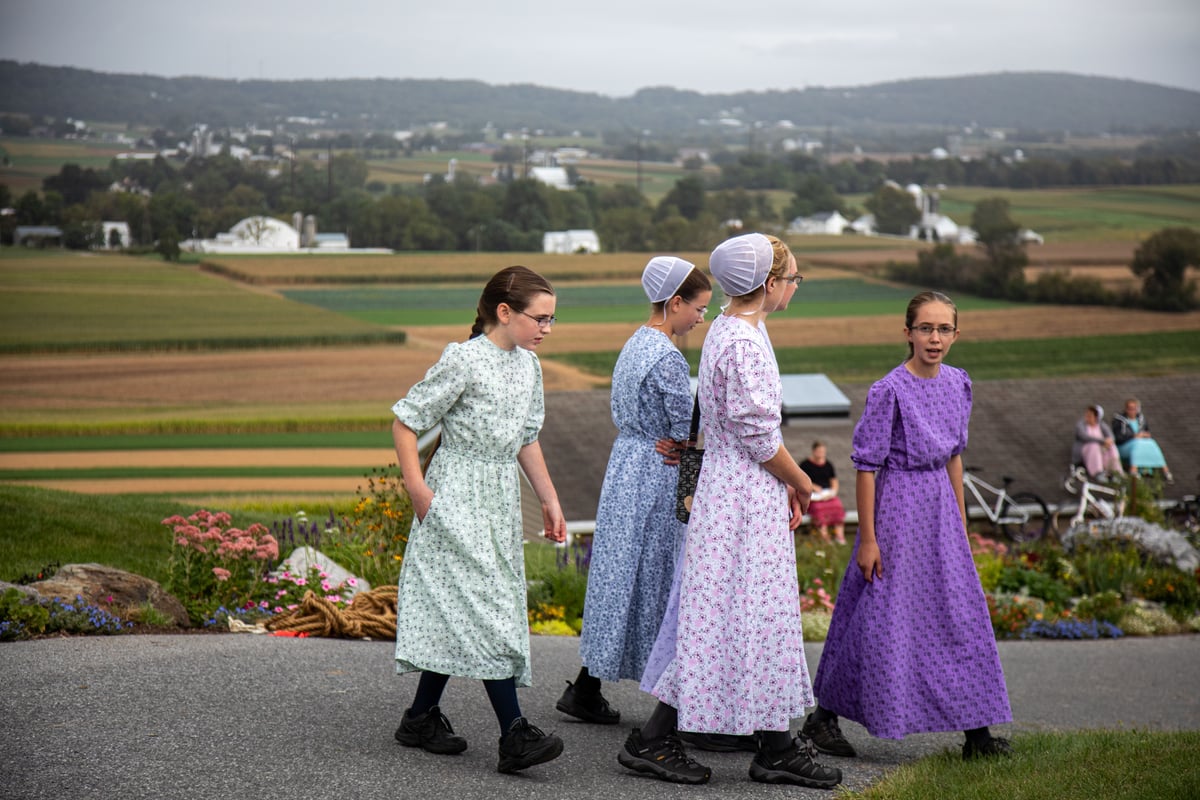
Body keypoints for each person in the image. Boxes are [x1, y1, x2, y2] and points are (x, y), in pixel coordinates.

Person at [624, 233, 842, 789]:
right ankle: (698, 741)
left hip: (736, 490)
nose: (794, 287)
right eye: (792, 278)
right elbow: (757, 436)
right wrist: (801, 483)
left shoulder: (730, 325)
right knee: (739, 612)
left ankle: (771, 742)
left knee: (734, 613)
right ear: (769, 286)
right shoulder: (742, 341)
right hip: (742, 493)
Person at [805, 290, 1013, 762]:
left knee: (959, 615)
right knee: (880, 616)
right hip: (896, 508)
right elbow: (865, 465)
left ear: (956, 335)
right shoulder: (889, 390)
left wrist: (960, 523)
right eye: (925, 328)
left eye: (943, 329)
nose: (934, 338)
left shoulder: (959, 383)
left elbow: (955, 457)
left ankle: (977, 735)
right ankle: (823, 717)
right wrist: (870, 539)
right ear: (908, 333)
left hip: (941, 509)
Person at [389, 265, 567, 775]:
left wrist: (551, 500)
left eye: (553, 320)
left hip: (499, 499)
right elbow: (406, 422)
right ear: (504, 312)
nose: (546, 329)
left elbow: (526, 438)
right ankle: (514, 734)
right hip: (454, 496)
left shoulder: (529, 367)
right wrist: (418, 490)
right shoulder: (463, 361)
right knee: (487, 608)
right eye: (541, 318)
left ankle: (420, 718)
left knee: (470, 606)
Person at [556, 257, 713, 727]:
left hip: (626, 464)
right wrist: (690, 449)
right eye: (699, 308)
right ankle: (678, 701)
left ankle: (587, 686)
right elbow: (688, 428)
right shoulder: (666, 356)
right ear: (675, 303)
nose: (702, 318)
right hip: (659, 472)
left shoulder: (635, 343)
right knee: (662, 576)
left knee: (621, 573)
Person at [1112, 398, 1174, 483]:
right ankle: (1133, 470)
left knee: (1151, 442)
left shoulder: (1141, 419)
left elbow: (1147, 432)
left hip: (1140, 445)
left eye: (1134, 408)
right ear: (1126, 409)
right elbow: (1118, 437)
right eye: (1130, 408)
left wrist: (1145, 435)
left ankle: (1165, 471)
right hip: (1124, 446)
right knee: (1137, 443)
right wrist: (1134, 436)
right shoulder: (1119, 420)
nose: (1132, 411)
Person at [800, 440, 847, 545]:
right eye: (819, 451)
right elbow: (800, 480)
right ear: (813, 451)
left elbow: (834, 481)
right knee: (819, 509)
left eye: (823, 451)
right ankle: (825, 537)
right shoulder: (805, 465)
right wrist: (813, 487)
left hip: (826, 494)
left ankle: (840, 536)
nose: (821, 453)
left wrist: (833, 492)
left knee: (837, 505)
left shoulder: (828, 465)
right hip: (813, 496)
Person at [1072, 405, 1123, 480]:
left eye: (1090, 416)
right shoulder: (1081, 425)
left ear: (1096, 417)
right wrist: (1103, 441)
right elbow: (1085, 437)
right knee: (1094, 445)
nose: (1087, 417)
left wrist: (1109, 441)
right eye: (1087, 415)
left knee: (1112, 447)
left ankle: (1115, 471)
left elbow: (1111, 436)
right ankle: (1097, 472)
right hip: (1085, 450)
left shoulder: (1101, 425)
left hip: (1102, 449)